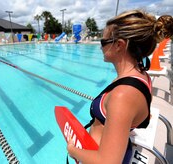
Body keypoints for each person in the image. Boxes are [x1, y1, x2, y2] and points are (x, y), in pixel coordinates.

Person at [67, 10, 173, 164]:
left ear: (119, 45)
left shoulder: (123, 95)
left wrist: (73, 150)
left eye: (103, 42)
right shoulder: (140, 75)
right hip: (112, 147)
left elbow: (108, 162)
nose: (100, 47)